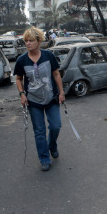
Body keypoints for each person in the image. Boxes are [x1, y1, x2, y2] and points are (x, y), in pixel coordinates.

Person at [14, 27, 65, 171]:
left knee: (56, 126)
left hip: (51, 98)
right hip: (33, 101)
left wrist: (61, 92)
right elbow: (18, 79)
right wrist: (22, 94)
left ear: (39, 41)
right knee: (39, 131)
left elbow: (56, 74)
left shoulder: (48, 55)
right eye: (26, 41)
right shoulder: (21, 60)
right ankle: (44, 158)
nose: (28, 43)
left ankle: (52, 145)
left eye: (31, 40)